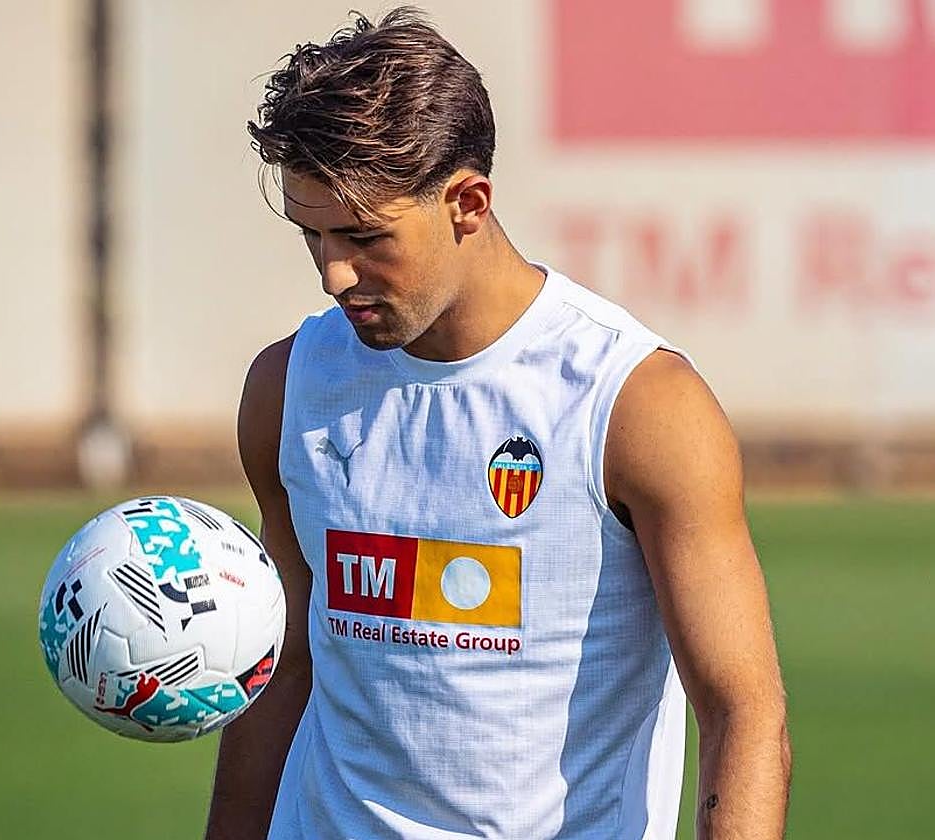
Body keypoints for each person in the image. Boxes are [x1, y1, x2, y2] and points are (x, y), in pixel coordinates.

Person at [204, 7, 790, 839]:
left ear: (468, 203)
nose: (334, 273)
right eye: (313, 235)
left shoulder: (636, 403)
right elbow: (282, 666)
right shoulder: (288, 386)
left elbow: (742, 714)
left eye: (364, 237)